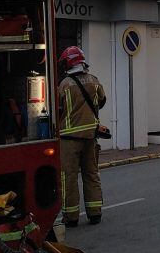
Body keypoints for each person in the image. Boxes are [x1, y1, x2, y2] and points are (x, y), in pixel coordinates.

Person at [56, 46, 107, 227]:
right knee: (91, 174)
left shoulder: (64, 85)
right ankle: (95, 213)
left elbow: (58, 110)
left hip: (69, 140)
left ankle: (71, 217)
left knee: (68, 177)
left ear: (69, 63)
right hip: (90, 137)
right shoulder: (94, 81)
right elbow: (101, 101)